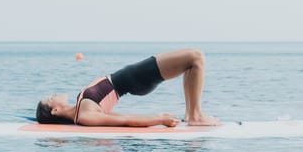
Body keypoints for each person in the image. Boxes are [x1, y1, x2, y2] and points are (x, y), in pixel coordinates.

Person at [36, 49, 219, 127]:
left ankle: (192, 114)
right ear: (55, 111)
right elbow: (124, 120)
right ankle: (195, 115)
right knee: (195, 57)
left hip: (133, 76)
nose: (53, 95)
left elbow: (114, 116)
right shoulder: (85, 116)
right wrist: (158, 119)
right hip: (135, 78)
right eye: (50, 99)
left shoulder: (80, 110)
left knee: (192, 61)